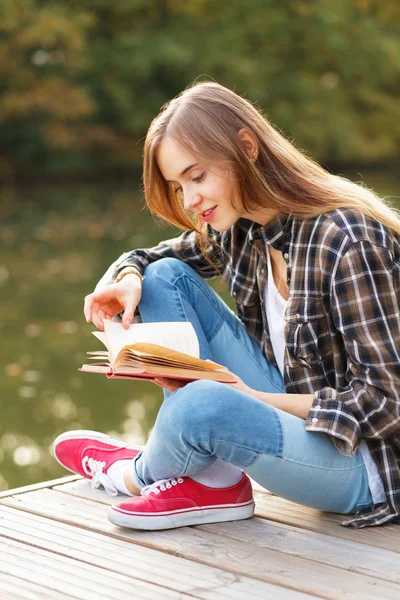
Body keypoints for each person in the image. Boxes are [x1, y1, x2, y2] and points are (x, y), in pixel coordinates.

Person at [52, 81, 400, 530]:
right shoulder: (236, 227)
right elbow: (152, 259)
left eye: (197, 177)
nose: (190, 201)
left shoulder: (347, 240)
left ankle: (132, 473)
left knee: (202, 406)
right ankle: (213, 478)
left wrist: (250, 400)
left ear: (247, 149)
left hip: (362, 463)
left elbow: (386, 404)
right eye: (179, 186)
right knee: (161, 281)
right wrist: (126, 277)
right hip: (285, 415)